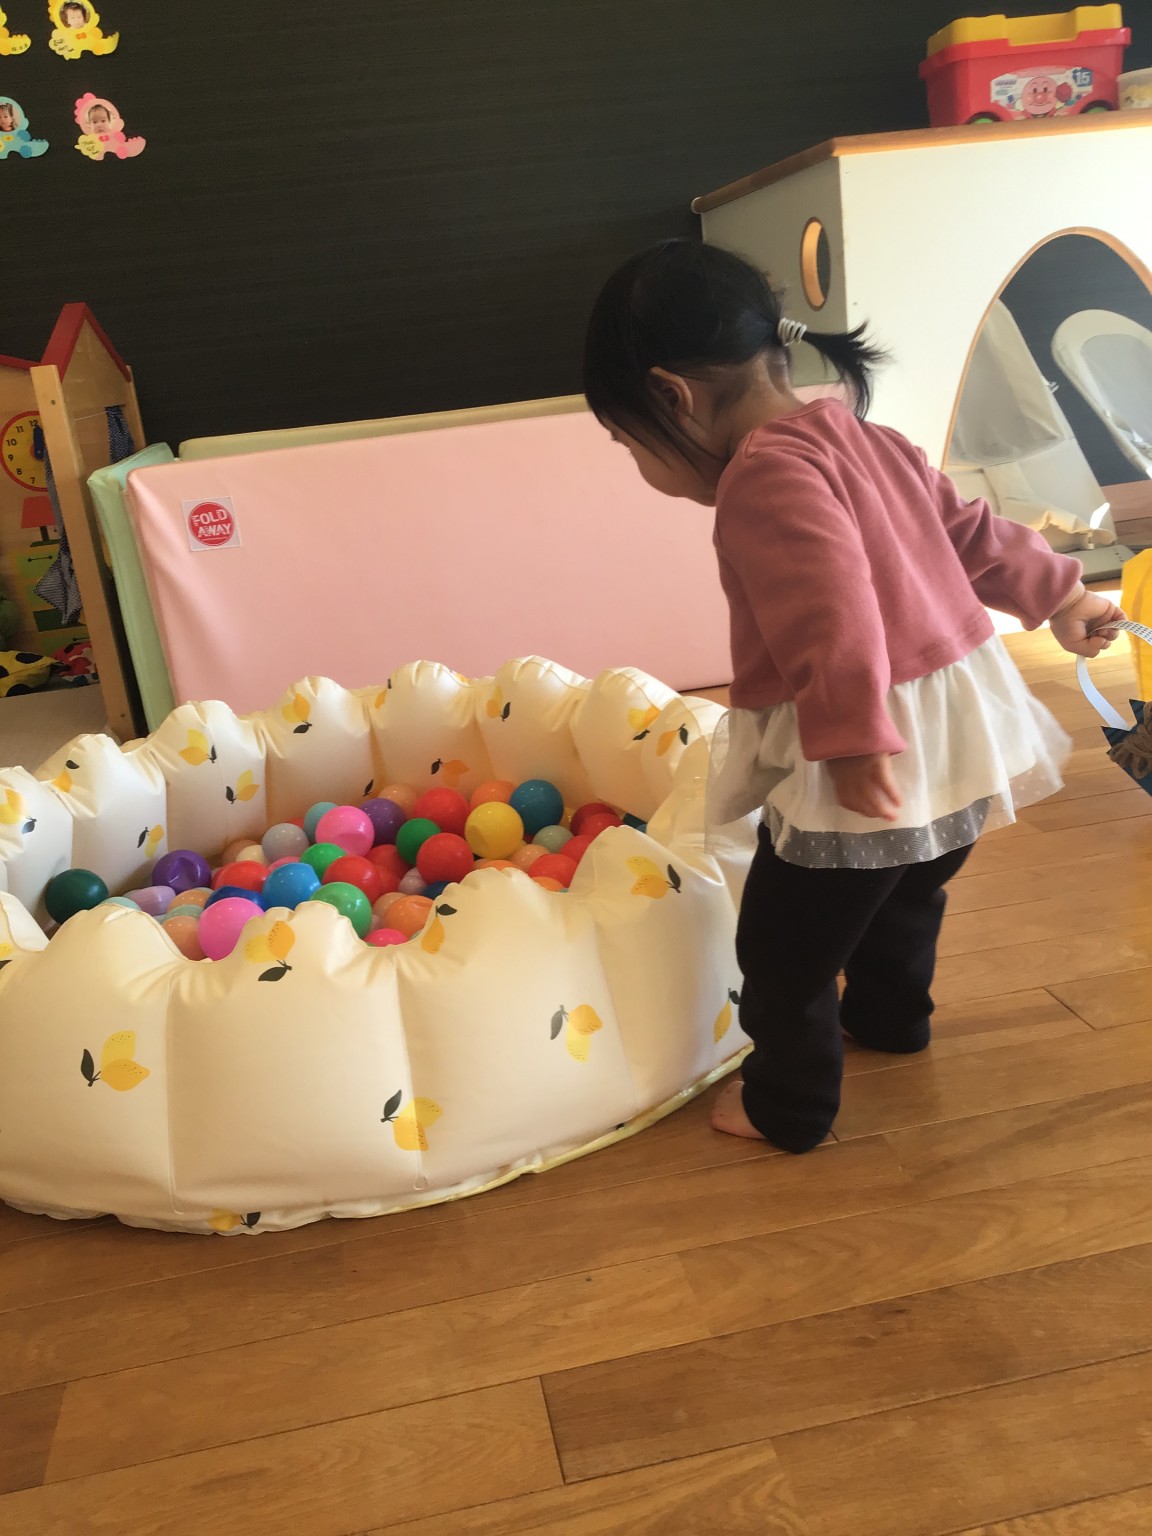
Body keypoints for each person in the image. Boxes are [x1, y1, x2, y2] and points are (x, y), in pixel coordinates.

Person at [583, 238, 1123, 1154]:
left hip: (866, 742)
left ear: (673, 398)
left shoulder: (763, 475)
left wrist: (854, 744)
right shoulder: (866, 438)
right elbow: (973, 532)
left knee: (783, 951)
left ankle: (787, 1107)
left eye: (626, 441)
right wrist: (1064, 595)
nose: (638, 462)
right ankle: (890, 1018)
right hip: (959, 738)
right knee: (909, 893)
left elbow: (826, 613)